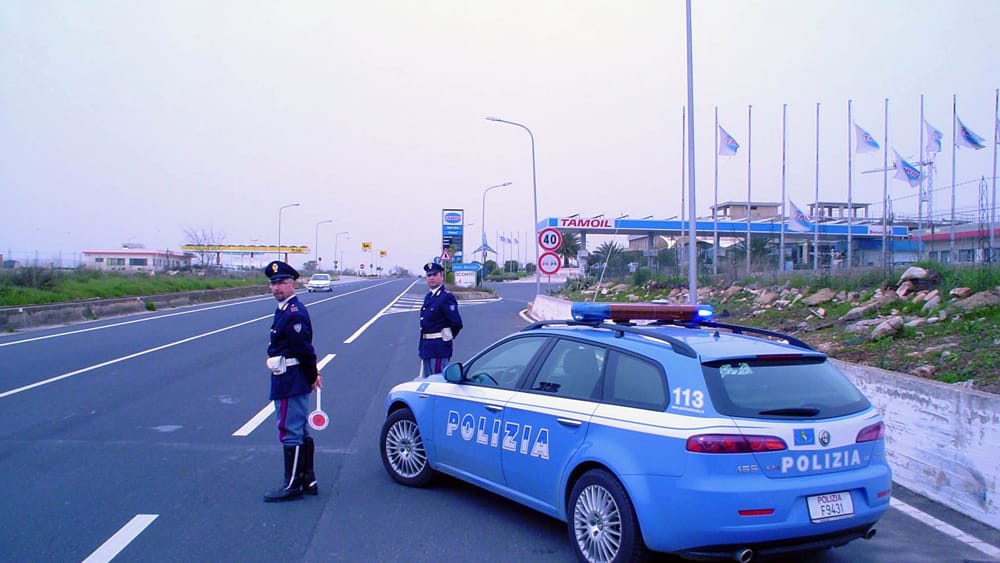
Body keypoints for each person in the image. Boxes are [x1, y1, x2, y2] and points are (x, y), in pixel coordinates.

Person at [262, 260, 322, 502]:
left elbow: (304, 349)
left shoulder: (293, 313)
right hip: (288, 377)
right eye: (273, 283)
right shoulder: (284, 310)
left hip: (291, 379)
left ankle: (292, 484)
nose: (277, 288)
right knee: (298, 428)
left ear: (293, 284)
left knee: (290, 431)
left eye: (282, 283)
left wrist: (312, 375)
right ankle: (308, 479)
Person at [419, 261, 463, 376]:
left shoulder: (446, 297)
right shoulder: (429, 296)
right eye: (429, 275)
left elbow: (456, 323)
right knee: (428, 382)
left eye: (435, 275)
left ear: (441, 277)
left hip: (439, 348)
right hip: (427, 348)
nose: (431, 278)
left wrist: (446, 337)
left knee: (437, 382)